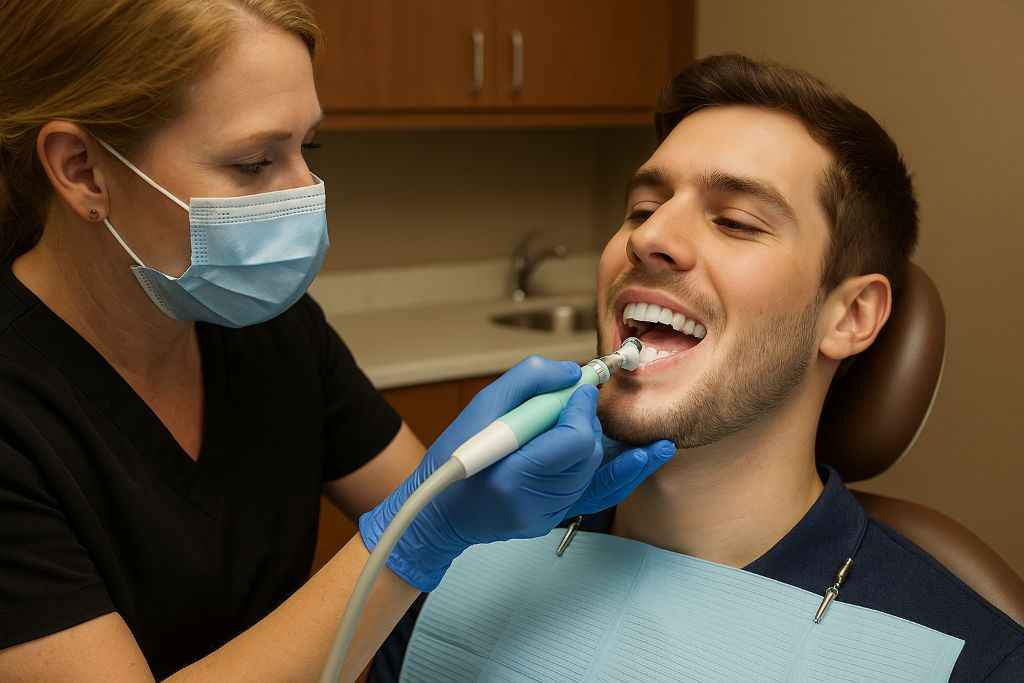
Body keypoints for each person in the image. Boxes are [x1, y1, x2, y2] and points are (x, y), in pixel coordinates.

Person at [0, 2, 673, 681]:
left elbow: (440, 512)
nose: (305, 191)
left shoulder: (268, 328)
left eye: (307, 149)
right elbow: (421, 525)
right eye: (255, 161)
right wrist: (422, 533)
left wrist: (526, 493)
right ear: (82, 168)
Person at [369, 54, 1024, 681]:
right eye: (643, 209)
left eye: (736, 221)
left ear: (850, 316)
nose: (648, 238)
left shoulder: (965, 661)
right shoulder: (453, 567)